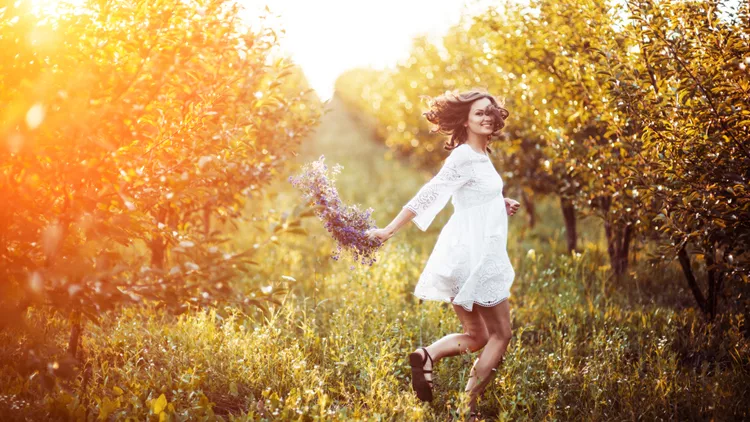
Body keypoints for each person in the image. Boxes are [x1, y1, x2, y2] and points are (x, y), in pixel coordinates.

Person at [365, 89, 520, 421]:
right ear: (464, 119)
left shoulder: (480, 156)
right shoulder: (464, 155)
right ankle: (469, 409)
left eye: (490, 111)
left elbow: (473, 194)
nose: (487, 116)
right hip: (475, 256)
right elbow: (430, 193)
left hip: (462, 254)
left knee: (477, 336)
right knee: (501, 334)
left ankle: (427, 355)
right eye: (479, 112)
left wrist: (499, 202)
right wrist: (388, 230)